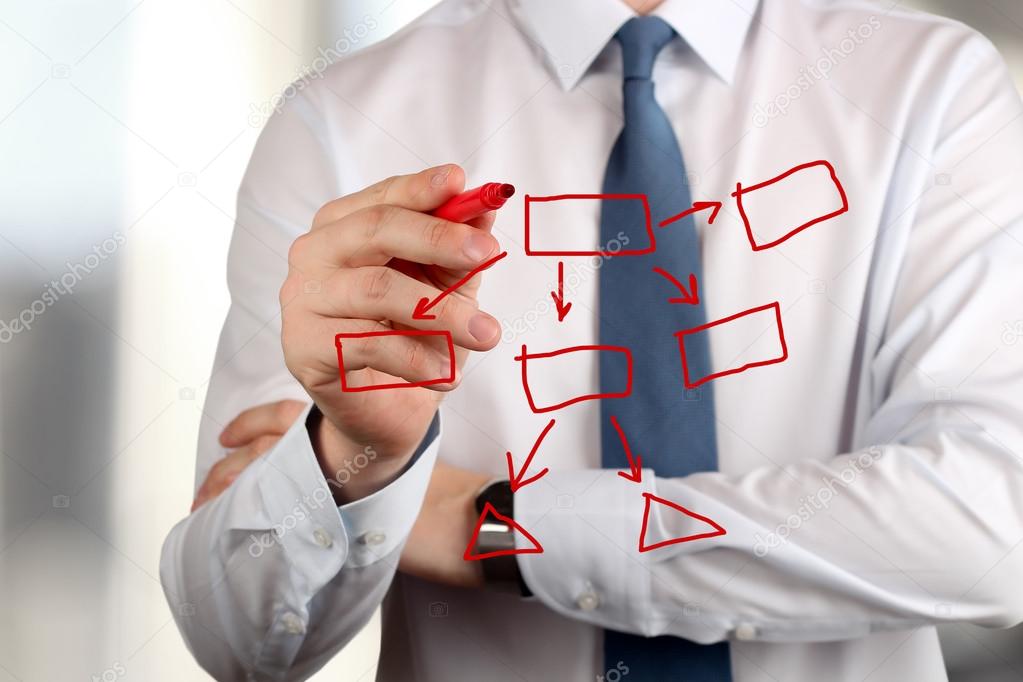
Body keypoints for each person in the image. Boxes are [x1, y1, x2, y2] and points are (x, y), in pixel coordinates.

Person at [160, 0, 1023, 680]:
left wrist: (496, 526)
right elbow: (236, 637)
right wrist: (356, 461)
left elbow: (990, 532)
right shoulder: (343, 121)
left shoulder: (930, 87)